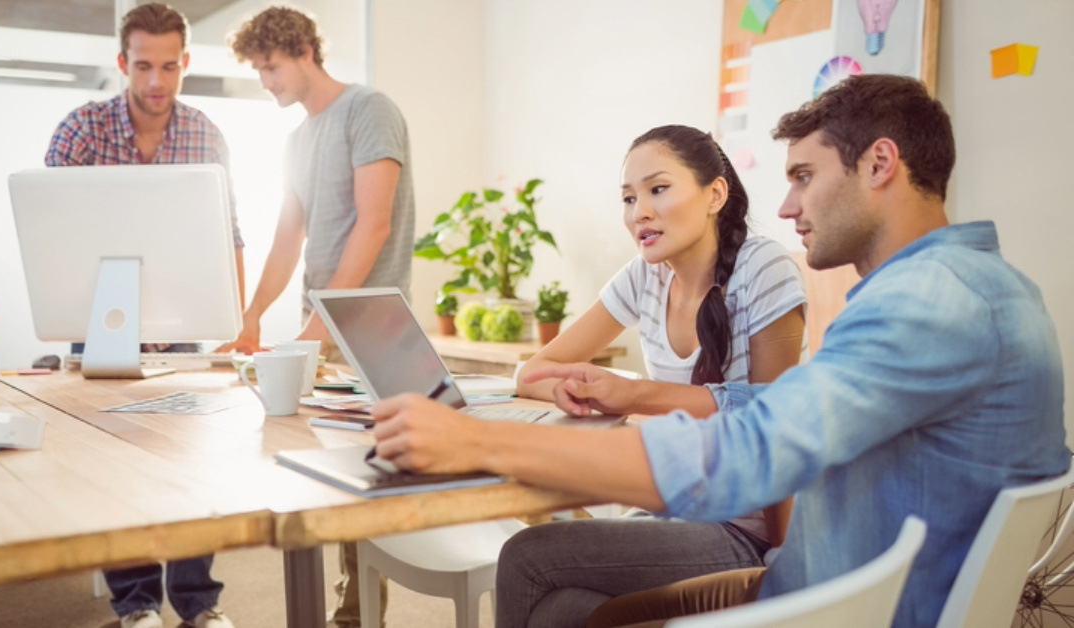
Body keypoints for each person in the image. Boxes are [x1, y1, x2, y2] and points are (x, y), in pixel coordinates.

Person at [367, 74, 1069, 628]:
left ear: (880, 163)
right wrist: (637, 394)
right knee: (553, 604)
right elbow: (788, 406)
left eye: (803, 176)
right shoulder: (972, 288)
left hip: (838, 607)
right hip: (831, 577)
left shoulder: (929, 303)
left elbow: (744, 456)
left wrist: (479, 443)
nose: (788, 207)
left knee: (540, 580)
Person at [512, 124, 806, 589]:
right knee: (564, 606)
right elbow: (531, 373)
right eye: (629, 199)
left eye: (659, 189)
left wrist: (783, 564)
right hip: (676, 506)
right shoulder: (643, 277)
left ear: (715, 195)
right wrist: (571, 389)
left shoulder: (762, 267)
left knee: (529, 556)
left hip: (745, 529)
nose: (639, 213)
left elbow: (779, 419)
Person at [44, 4, 240, 628]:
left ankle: (198, 605)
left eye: (170, 66)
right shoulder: (81, 130)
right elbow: (55, 240)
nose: (157, 82)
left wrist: (239, 323)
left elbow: (227, 234)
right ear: (122, 63)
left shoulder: (204, 133)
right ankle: (135, 607)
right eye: (144, 66)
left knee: (190, 463)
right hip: (102, 321)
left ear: (186, 63)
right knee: (116, 466)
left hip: (183, 325)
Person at [222, 7, 416, 627]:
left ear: (306, 51)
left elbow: (375, 220)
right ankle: (345, 611)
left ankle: (357, 616)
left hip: (372, 326)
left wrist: (317, 328)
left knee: (368, 471)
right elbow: (287, 240)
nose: (266, 81)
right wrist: (252, 316)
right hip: (325, 328)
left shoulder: (369, 109)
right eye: (258, 70)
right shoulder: (298, 139)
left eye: (271, 66)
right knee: (327, 474)